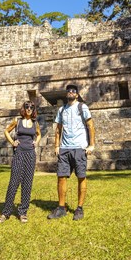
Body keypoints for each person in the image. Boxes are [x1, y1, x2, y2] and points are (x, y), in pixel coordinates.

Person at [48, 84, 96, 221]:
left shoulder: (82, 107)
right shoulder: (62, 110)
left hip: (80, 147)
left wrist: (91, 145)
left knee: (81, 177)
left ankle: (79, 208)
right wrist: (56, 145)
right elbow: (58, 129)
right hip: (64, 148)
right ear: (66, 94)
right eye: (68, 91)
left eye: (73, 91)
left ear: (77, 94)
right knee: (61, 177)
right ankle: (61, 208)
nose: (71, 92)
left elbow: (91, 125)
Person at [0, 101, 41, 223]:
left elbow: (39, 134)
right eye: (27, 107)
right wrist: (12, 142)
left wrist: (36, 142)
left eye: (32, 107)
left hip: (30, 154)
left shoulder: (35, 123)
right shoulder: (18, 121)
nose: (29, 109)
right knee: (13, 182)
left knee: (27, 183)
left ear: (33, 109)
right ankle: (5, 212)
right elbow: (6, 131)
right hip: (19, 153)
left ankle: (23, 212)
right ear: (24, 108)